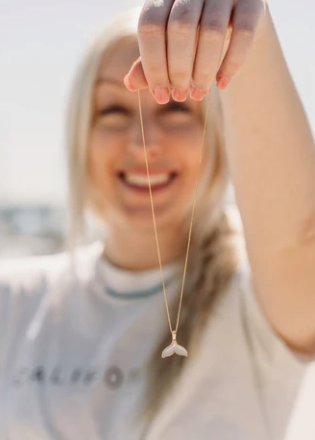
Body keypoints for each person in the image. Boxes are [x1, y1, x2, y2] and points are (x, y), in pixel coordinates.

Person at [1, 1, 315, 439]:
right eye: (113, 111)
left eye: (177, 109)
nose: (143, 142)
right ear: (81, 134)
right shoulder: (14, 302)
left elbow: (297, 241)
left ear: (219, 136)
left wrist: (248, 39)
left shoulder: (254, 303)